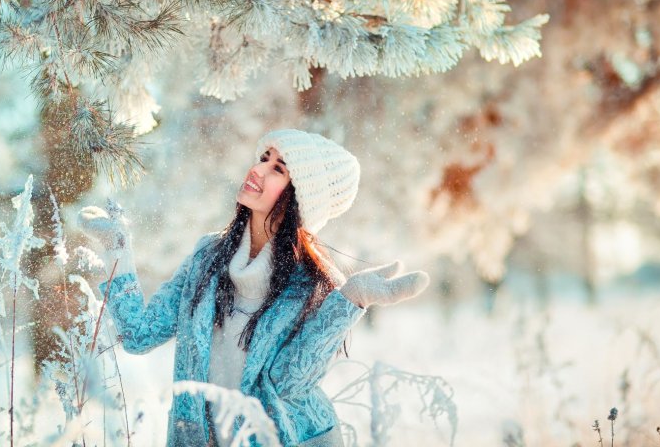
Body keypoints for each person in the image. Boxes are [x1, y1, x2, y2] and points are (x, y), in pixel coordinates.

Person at [79, 129, 430, 447]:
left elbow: (287, 383)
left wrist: (353, 298)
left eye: (278, 169)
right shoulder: (206, 259)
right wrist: (117, 251)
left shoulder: (315, 285)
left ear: (299, 197)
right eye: (264, 158)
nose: (258, 169)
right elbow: (140, 334)